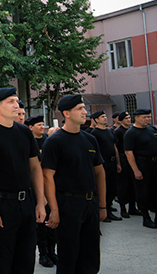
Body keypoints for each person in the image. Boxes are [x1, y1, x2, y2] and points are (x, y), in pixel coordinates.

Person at [0, 87, 45, 274]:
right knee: (1, 265)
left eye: (16, 101)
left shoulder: (24, 132)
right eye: (11, 102)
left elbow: (35, 168)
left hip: (26, 203)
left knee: (26, 262)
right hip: (1, 204)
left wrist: (40, 202)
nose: (16, 105)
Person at [42, 95, 107, 274]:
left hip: (90, 202)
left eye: (84, 108)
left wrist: (102, 205)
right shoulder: (54, 142)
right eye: (80, 108)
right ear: (67, 113)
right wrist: (54, 210)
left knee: (91, 256)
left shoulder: (90, 139)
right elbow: (47, 177)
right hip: (68, 203)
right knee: (69, 256)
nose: (85, 112)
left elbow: (99, 172)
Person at [123, 109, 157, 228]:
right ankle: (146, 217)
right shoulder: (131, 133)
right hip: (142, 163)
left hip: (155, 163)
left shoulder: (152, 130)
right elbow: (129, 153)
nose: (148, 119)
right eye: (145, 117)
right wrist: (136, 170)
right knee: (143, 191)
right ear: (136, 118)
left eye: (149, 117)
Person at [24, 114, 57, 268]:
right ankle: (43, 253)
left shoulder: (47, 140)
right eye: (39, 125)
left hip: (50, 185)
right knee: (41, 225)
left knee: (52, 222)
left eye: (43, 125)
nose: (42, 127)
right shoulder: (29, 141)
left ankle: (52, 251)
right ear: (31, 127)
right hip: (36, 188)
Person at [90, 110, 122, 222]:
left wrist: (118, 163)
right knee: (104, 186)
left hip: (112, 162)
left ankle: (109, 206)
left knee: (113, 186)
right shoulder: (94, 133)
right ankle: (104, 210)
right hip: (103, 163)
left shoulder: (110, 131)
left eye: (105, 116)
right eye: (102, 117)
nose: (105, 118)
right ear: (96, 120)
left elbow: (114, 147)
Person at [114, 111, 140, 218]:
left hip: (132, 158)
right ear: (121, 120)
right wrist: (118, 163)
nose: (128, 120)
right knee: (123, 185)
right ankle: (123, 208)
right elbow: (115, 147)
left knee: (132, 184)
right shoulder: (118, 131)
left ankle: (132, 207)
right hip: (123, 158)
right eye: (126, 118)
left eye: (129, 118)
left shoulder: (131, 130)